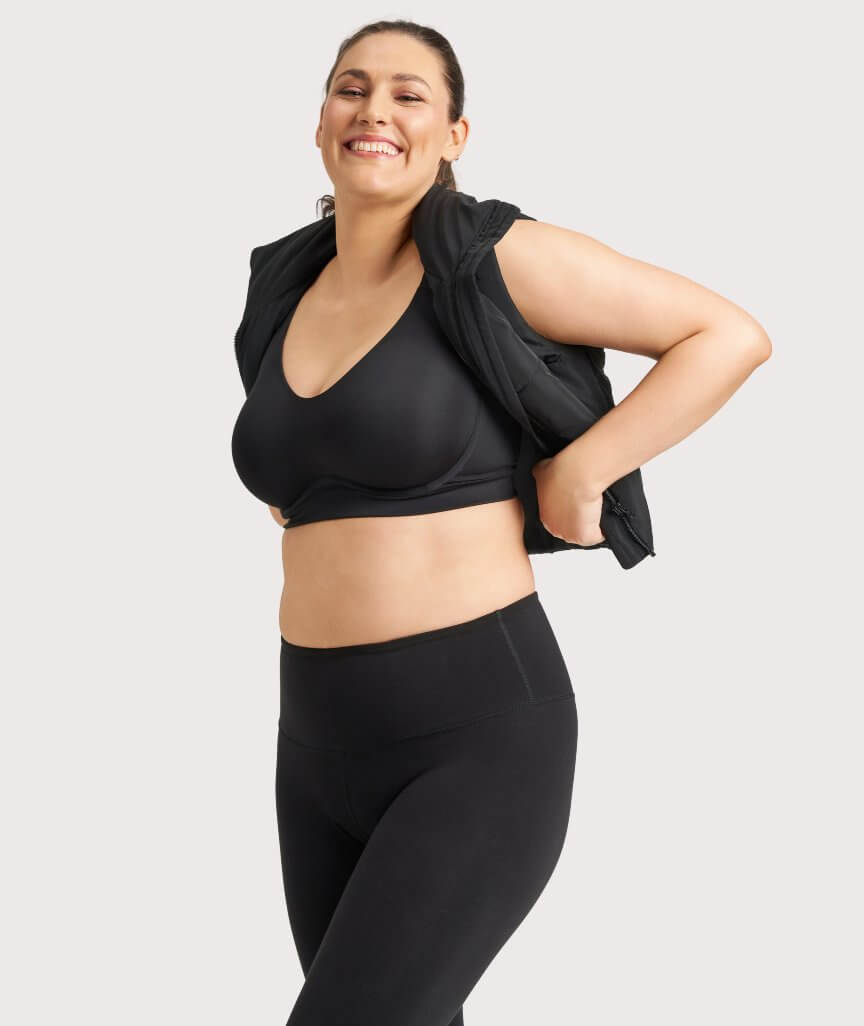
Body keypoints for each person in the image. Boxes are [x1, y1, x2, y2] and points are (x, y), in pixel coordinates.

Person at [230, 19, 772, 1026]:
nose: (375, 111)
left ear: (454, 136)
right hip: (312, 741)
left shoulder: (491, 256)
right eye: (351, 88)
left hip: (475, 736)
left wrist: (587, 465)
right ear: (320, 121)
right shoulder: (282, 287)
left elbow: (725, 335)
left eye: (408, 95)